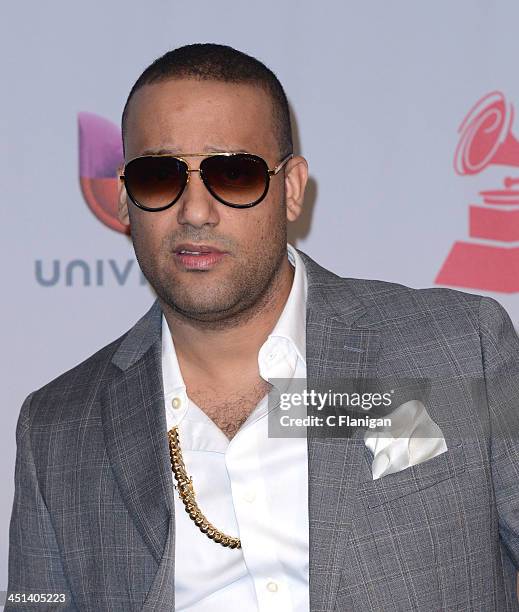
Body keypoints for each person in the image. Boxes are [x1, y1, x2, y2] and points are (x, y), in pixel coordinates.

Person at [6, 43, 519, 612]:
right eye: (158, 177)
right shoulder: (59, 427)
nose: (195, 212)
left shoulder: (455, 346)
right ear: (126, 200)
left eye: (234, 173)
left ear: (291, 188)